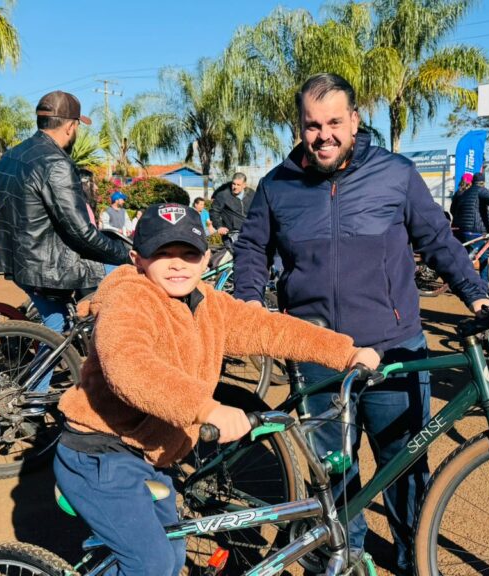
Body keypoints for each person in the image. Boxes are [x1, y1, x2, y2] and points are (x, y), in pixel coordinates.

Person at [232, 73, 489, 574]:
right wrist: (248, 300)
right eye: (312, 125)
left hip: (394, 347)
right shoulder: (276, 186)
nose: (323, 135)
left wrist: (477, 295)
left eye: (333, 122)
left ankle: (415, 557)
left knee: (404, 463)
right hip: (316, 352)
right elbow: (251, 248)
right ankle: (344, 554)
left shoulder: (395, 174)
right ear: (300, 127)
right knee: (333, 469)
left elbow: (437, 240)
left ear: (353, 120)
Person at [54, 203, 380, 576]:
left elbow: (268, 328)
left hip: (147, 454)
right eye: (162, 253)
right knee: (151, 563)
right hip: (100, 453)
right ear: (137, 259)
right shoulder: (130, 299)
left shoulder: (207, 304)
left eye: (189, 253)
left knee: (172, 553)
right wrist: (207, 409)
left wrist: (346, 353)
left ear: (207, 258)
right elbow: (130, 366)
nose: (177, 264)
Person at [0, 90, 131, 391]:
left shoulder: (9, 157)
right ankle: (123, 371)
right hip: (50, 266)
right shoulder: (56, 162)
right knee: (129, 281)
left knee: (55, 328)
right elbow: (80, 232)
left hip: (19, 262)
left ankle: (33, 398)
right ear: (70, 126)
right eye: (77, 127)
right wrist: (123, 254)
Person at [449, 170, 489, 281]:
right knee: (483, 258)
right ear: (483, 183)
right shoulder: (481, 191)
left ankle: (460, 279)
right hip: (474, 230)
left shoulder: (462, 193)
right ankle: (484, 284)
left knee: (465, 256)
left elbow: (454, 210)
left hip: (460, 229)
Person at [210, 172, 254, 250]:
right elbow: (214, 211)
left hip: (250, 232)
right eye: (234, 184)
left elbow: (258, 211)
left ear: (244, 185)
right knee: (237, 256)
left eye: (238, 185)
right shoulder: (223, 195)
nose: (235, 187)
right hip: (232, 234)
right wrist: (219, 226)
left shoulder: (252, 194)